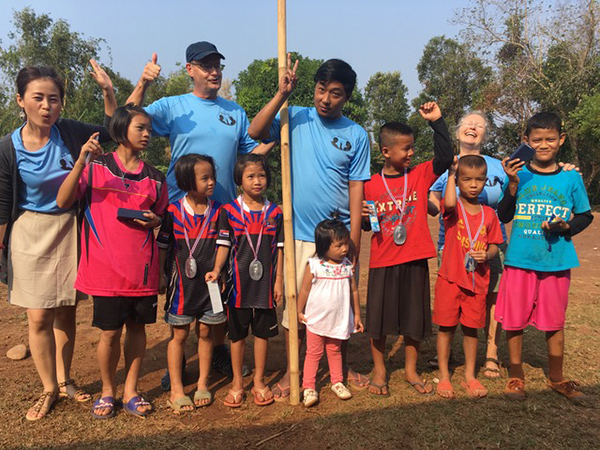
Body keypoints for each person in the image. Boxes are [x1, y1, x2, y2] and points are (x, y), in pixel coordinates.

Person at [127, 41, 271, 383]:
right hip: (180, 217)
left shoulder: (234, 112)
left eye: (217, 64)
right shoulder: (172, 106)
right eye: (205, 65)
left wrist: (282, 141)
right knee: (182, 286)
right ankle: (175, 364)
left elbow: (251, 153)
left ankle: (217, 351)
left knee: (218, 285)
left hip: (222, 216)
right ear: (189, 69)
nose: (214, 71)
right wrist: (144, 83)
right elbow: (126, 119)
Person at [248, 55, 371, 399]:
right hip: (299, 232)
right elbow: (255, 131)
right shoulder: (294, 117)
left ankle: (341, 368)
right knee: (297, 306)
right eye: (320, 90)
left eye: (335, 94)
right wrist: (282, 94)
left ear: (346, 97)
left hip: (338, 238)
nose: (325, 99)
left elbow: (356, 187)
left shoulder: (357, 134)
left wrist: (355, 240)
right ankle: (294, 371)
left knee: (338, 305)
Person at [0, 63, 115, 420]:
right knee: (38, 317)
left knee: (67, 309)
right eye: (38, 98)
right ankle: (48, 388)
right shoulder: (8, 148)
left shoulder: (69, 132)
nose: (47, 106)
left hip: (69, 229)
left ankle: (66, 382)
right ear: (21, 100)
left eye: (54, 99)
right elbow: (4, 203)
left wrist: (108, 92)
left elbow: (112, 130)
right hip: (29, 231)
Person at [56, 104, 168, 419]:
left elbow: (162, 217)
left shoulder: (156, 178)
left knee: (137, 330)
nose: (147, 134)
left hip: (142, 271)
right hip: (104, 271)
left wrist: (154, 220)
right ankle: (108, 391)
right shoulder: (95, 167)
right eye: (140, 128)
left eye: (149, 129)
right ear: (120, 131)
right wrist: (80, 161)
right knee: (108, 333)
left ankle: (131, 390)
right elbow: (63, 200)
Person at [496, 112, 593, 402]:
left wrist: (567, 227)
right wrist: (512, 184)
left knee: (554, 321)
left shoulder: (571, 177)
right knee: (514, 321)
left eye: (550, 139)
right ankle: (515, 376)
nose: (543, 145)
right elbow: (503, 214)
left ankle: (556, 378)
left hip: (557, 261)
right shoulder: (519, 174)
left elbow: (585, 215)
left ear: (561, 140)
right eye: (536, 140)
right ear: (526, 141)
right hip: (520, 260)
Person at [362, 102, 454, 396]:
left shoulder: (419, 175)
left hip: (414, 259)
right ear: (386, 152)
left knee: (414, 320)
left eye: (413, 147)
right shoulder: (370, 185)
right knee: (377, 322)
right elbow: (369, 226)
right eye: (405, 148)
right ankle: (380, 371)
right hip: (383, 262)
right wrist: (364, 218)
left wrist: (437, 122)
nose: (412, 152)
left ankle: (411, 370)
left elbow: (443, 157)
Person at [428, 111, 508, 378]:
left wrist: (565, 166)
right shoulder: (447, 165)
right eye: (468, 124)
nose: (473, 127)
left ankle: (491, 354)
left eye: (479, 125)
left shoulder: (498, 165)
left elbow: (524, 180)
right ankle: (447, 355)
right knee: (451, 302)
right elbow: (435, 199)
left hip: (489, 241)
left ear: (486, 133)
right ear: (458, 129)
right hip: (452, 246)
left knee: (490, 297)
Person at [206, 154, 284, 407]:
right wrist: (217, 270)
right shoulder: (228, 212)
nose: (257, 181)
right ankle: (238, 382)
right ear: (239, 180)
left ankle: (259, 381)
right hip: (237, 287)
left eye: (261, 175)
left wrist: (279, 280)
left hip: (265, 286)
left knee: (262, 334)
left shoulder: (275, 212)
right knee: (237, 336)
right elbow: (224, 246)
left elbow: (280, 249)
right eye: (250, 176)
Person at [156, 154, 224, 413]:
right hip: (181, 287)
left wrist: (219, 272)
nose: (211, 182)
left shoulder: (219, 211)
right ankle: (176, 388)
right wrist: (161, 275)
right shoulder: (172, 211)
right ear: (186, 181)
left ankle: (203, 383)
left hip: (210, 286)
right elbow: (162, 246)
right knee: (180, 334)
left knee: (206, 332)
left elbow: (223, 246)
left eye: (212, 177)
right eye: (204, 178)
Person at [433, 156, 503, 399]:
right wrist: (451, 173)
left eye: (479, 180)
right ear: (458, 180)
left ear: (486, 181)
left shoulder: (489, 213)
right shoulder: (452, 208)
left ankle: (470, 376)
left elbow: (495, 245)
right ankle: (443, 375)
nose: (473, 185)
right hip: (451, 279)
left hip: (477, 282)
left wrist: (487, 254)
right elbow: (450, 201)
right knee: (446, 328)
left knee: (472, 329)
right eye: (467, 179)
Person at [297, 218, 364, 407]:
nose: (345, 248)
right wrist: (299, 311)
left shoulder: (347, 266)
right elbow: (304, 290)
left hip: (338, 320)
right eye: (339, 245)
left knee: (335, 351)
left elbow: (354, 291)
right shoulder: (314, 266)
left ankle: (337, 382)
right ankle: (309, 387)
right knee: (313, 353)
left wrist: (356, 314)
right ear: (324, 247)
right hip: (316, 320)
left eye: (346, 243)